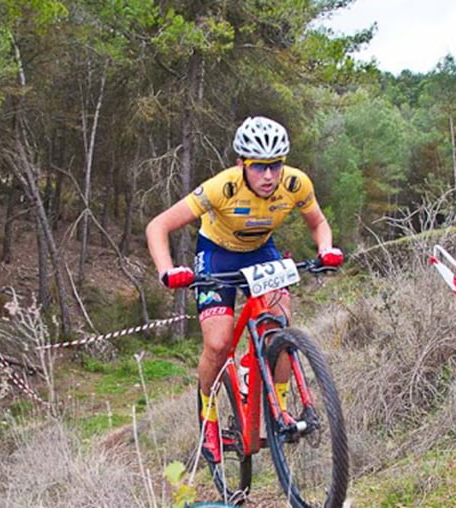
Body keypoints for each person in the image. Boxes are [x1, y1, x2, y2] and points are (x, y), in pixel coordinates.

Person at [145, 116, 344, 467]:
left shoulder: (296, 184)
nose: (269, 176)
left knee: (280, 327)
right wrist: (167, 271)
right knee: (219, 343)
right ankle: (208, 414)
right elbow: (158, 226)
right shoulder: (222, 187)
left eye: (275, 166)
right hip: (217, 254)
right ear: (242, 165)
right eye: (259, 167)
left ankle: (276, 409)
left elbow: (318, 222)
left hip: (261, 252)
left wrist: (325, 248)